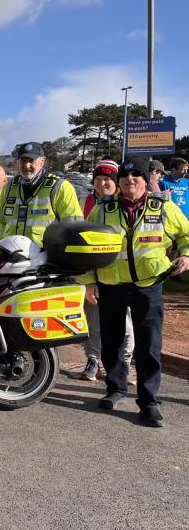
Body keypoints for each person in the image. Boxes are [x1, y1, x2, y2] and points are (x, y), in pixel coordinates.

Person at [84, 156, 189, 427]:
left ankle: (148, 400)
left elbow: (186, 234)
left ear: (146, 180)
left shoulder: (163, 207)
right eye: (125, 177)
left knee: (149, 345)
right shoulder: (103, 209)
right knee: (113, 341)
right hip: (111, 284)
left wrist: (186, 255)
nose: (130, 180)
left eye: (136, 177)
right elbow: (86, 245)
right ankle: (116, 388)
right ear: (119, 182)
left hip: (149, 285)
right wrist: (88, 281)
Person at [78, 159, 134, 382]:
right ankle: (92, 360)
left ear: (116, 182)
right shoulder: (85, 202)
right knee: (92, 318)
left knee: (126, 320)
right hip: (91, 270)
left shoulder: (124, 203)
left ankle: (126, 363)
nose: (103, 183)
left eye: (108, 179)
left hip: (120, 272)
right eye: (99, 178)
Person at [0, 141, 83, 246]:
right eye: (23, 160)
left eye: (31, 160)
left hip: (46, 258)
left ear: (42, 161)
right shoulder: (8, 188)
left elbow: (74, 227)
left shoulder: (60, 187)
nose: (26, 165)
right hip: (11, 256)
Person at [159, 157, 189, 221]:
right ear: (174, 169)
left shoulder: (187, 182)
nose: (186, 172)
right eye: (183, 170)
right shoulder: (163, 183)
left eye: (187, 170)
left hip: (186, 221)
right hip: (172, 221)